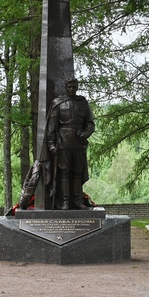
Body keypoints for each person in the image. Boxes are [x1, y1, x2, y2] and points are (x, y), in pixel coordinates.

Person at [46, 77, 95, 210]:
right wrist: (51, 144)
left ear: (77, 88)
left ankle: (77, 201)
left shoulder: (83, 103)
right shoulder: (58, 103)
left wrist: (85, 134)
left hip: (79, 144)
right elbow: (51, 127)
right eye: (69, 87)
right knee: (64, 172)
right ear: (66, 88)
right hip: (63, 143)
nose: (72, 89)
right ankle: (65, 202)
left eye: (74, 87)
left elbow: (90, 123)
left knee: (78, 172)